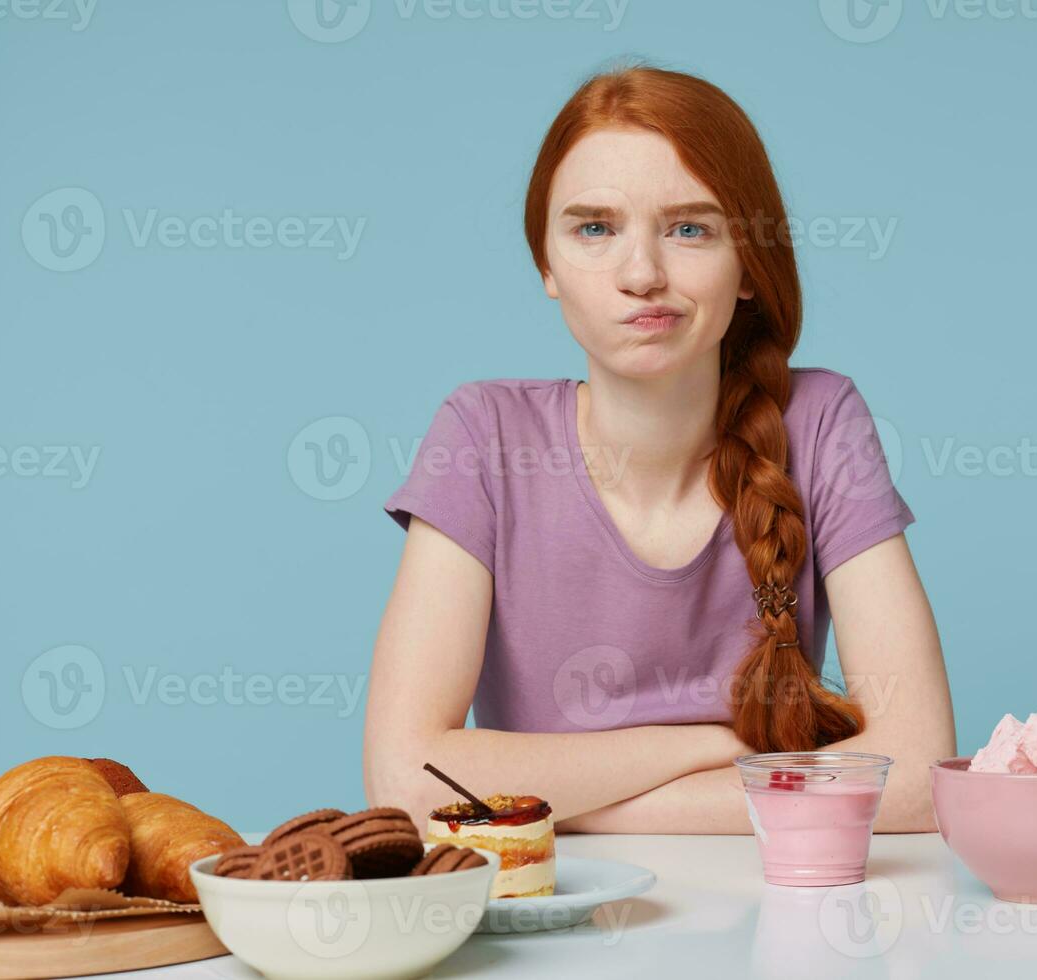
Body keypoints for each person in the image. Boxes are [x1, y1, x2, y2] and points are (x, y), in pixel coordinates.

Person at [364, 62, 954, 834]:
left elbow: (916, 776)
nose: (641, 274)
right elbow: (408, 783)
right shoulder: (484, 436)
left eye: (690, 228)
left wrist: (564, 809)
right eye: (594, 229)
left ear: (749, 265)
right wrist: (712, 748)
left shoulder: (820, 421)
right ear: (546, 264)